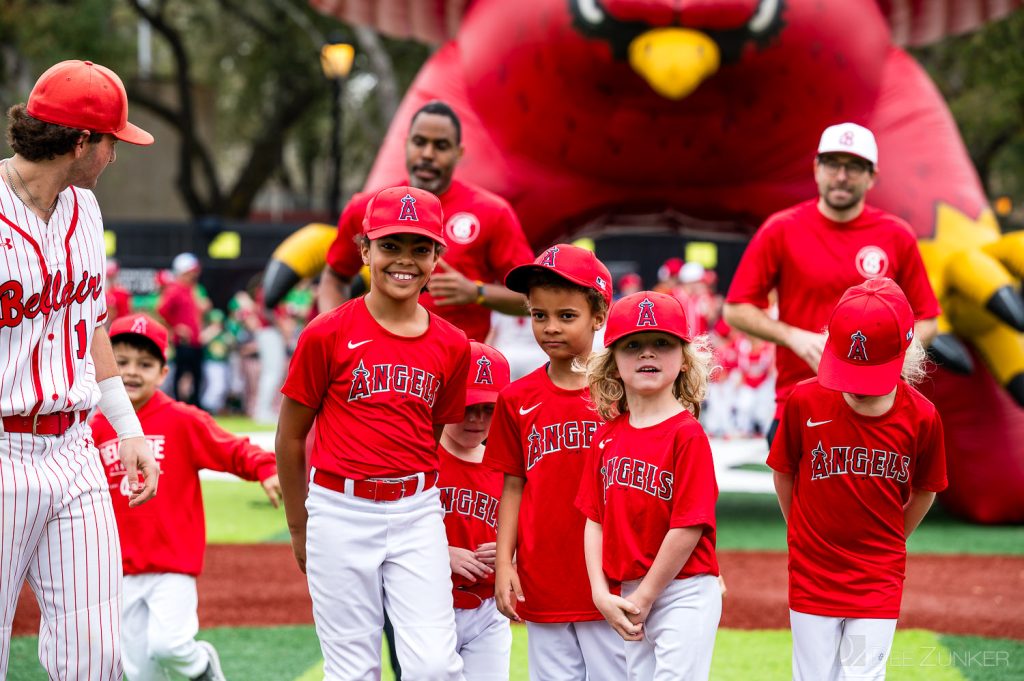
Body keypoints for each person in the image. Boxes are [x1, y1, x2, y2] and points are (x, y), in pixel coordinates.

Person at [0, 58, 159, 679]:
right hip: (2, 447)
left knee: (96, 654)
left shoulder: (85, 211)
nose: (115, 156)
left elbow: (92, 326)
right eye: (112, 141)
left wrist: (128, 430)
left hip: (72, 448)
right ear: (79, 140)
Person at [276, 186, 472, 680]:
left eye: (420, 248)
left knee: (434, 666)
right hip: (339, 511)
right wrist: (300, 527)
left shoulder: (452, 344)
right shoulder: (327, 332)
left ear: (437, 258)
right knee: (352, 671)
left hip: (416, 510)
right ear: (364, 250)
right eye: (390, 245)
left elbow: (430, 432)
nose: (404, 260)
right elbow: (290, 436)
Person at [767, 278, 947, 680]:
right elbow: (784, 472)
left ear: (906, 350)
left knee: (863, 675)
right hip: (812, 571)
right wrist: (799, 529)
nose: (857, 388)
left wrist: (891, 539)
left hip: (878, 576)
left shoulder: (921, 417)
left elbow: (924, 489)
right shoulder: (804, 400)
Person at [91, 313, 282, 681]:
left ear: (164, 373)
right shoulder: (95, 426)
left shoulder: (181, 419)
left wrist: (264, 468)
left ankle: (202, 666)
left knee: (170, 646)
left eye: (145, 364)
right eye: (122, 362)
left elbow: (231, 448)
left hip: (172, 563)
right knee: (140, 670)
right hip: (119, 570)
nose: (131, 372)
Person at [723, 122, 940, 443]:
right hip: (797, 405)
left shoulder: (897, 235)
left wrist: (890, 358)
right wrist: (794, 337)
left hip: (878, 410)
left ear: (872, 176)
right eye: (832, 164)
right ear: (816, 168)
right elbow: (736, 309)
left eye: (853, 167)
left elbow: (928, 320)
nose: (841, 176)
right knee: (796, 496)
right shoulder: (781, 229)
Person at [485, 244, 627, 681]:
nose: (550, 328)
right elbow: (513, 485)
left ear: (599, 316)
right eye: (539, 315)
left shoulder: (625, 393)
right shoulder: (516, 398)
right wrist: (506, 563)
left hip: (612, 577)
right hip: (543, 575)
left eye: (567, 316)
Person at [577, 290, 722, 680]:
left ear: (684, 360)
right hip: (628, 588)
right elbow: (594, 519)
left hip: (683, 588)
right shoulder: (606, 437)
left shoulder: (686, 435)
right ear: (612, 363)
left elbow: (687, 527)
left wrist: (645, 596)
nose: (647, 354)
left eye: (662, 343)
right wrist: (599, 592)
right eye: (632, 345)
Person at [319, 100, 533, 342]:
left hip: (459, 371)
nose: (428, 154)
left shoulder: (492, 212)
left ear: (459, 153)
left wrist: (477, 292)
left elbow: (531, 298)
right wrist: (335, 333)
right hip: (381, 369)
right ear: (406, 143)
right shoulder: (366, 207)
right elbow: (335, 277)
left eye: (440, 146)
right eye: (420, 143)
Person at [438, 341, 513, 680]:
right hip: (429, 603)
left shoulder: (506, 467)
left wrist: (509, 556)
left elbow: (528, 533)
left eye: (487, 408)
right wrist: (442, 553)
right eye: (466, 406)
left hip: (487, 609)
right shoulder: (422, 459)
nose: (477, 419)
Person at [158, 252, 206, 406]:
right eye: (192, 271)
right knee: (181, 375)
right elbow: (161, 311)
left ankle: (195, 405)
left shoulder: (191, 289)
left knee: (197, 375)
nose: (195, 274)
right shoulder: (175, 290)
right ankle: (180, 404)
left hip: (195, 341)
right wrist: (174, 330)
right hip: (184, 342)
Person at [105, 258, 133, 327]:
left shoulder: (118, 292)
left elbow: (111, 314)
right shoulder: (123, 291)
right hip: (123, 324)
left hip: (118, 325)